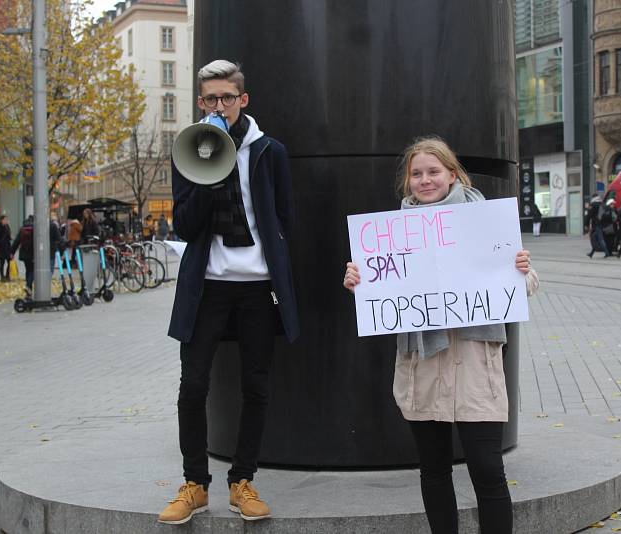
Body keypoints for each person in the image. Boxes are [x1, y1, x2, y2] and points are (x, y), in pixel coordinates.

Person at [343, 137, 539, 534]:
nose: (425, 180)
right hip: (423, 365)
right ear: (408, 182)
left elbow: (526, 285)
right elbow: (384, 293)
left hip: (473, 363)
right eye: (417, 174)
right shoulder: (391, 231)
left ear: (453, 174)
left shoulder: (484, 219)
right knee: (433, 470)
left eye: (433, 171)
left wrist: (521, 270)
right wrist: (359, 282)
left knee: (487, 469)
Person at [160, 60, 299, 525]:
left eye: (227, 97)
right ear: (201, 103)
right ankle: (195, 484)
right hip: (209, 286)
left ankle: (243, 480)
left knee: (256, 386)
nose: (219, 106)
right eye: (210, 99)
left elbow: (284, 218)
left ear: (243, 100)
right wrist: (207, 171)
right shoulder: (189, 149)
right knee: (193, 385)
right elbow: (184, 225)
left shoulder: (270, 151)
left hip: (257, 287)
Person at [0, 215, 12, 282]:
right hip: (1, 248)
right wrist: (0, 242)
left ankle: (7, 275)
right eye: (5, 219)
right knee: (2, 263)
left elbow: (9, 235)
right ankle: (2, 276)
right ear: (2, 220)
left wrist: (10, 238)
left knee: (9, 262)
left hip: (7, 247)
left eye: (7, 219)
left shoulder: (7, 226)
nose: (6, 220)